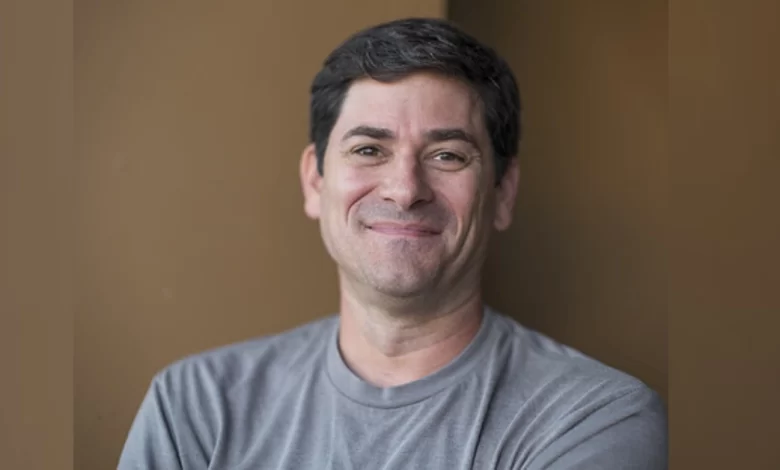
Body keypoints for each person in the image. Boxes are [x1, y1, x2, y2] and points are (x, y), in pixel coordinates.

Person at [118, 17, 667, 470]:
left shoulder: (594, 417)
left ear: (502, 192)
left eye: (448, 155)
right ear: (315, 181)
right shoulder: (193, 407)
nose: (405, 190)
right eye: (367, 150)